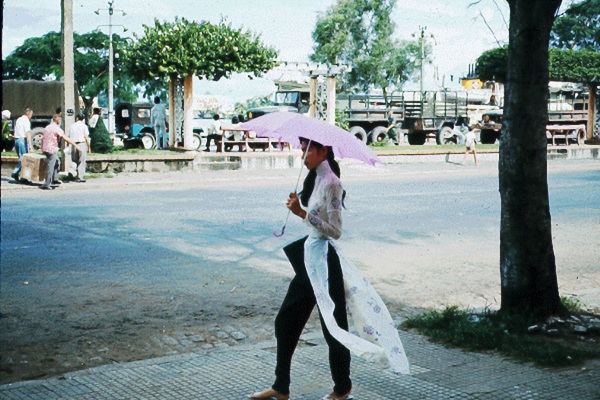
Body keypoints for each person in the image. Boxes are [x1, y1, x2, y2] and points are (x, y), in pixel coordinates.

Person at [250, 139, 409, 400]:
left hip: (325, 262)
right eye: (302, 149)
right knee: (285, 322)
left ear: (323, 150)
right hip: (309, 261)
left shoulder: (333, 183)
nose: (303, 154)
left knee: (334, 329)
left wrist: (303, 214)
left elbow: (335, 231)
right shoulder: (315, 179)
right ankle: (281, 386)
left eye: (307, 149)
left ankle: (342, 388)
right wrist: (299, 208)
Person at [40, 114, 80, 190]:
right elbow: (65, 138)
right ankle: (47, 184)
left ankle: (55, 179)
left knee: (57, 162)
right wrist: (75, 145)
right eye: (59, 120)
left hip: (46, 149)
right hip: (51, 149)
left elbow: (43, 139)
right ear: (57, 120)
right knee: (50, 166)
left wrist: (42, 149)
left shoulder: (47, 127)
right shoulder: (57, 128)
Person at [11, 108, 33, 182]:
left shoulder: (19, 119)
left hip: (17, 140)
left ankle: (22, 176)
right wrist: (30, 146)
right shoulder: (26, 121)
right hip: (22, 140)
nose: (31, 116)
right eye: (31, 115)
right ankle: (16, 172)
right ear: (29, 113)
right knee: (24, 159)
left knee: (21, 158)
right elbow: (28, 133)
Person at [68, 113, 91, 182]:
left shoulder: (72, 126)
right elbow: (86, 137)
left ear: (77, 118)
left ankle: (72, 171)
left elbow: (68, 137)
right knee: (81, 161)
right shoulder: (84, 126)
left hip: (73, 144)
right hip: (81, 144)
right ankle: (80, 177)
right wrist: (89, 147)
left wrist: (67, 146)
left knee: (74, 159)